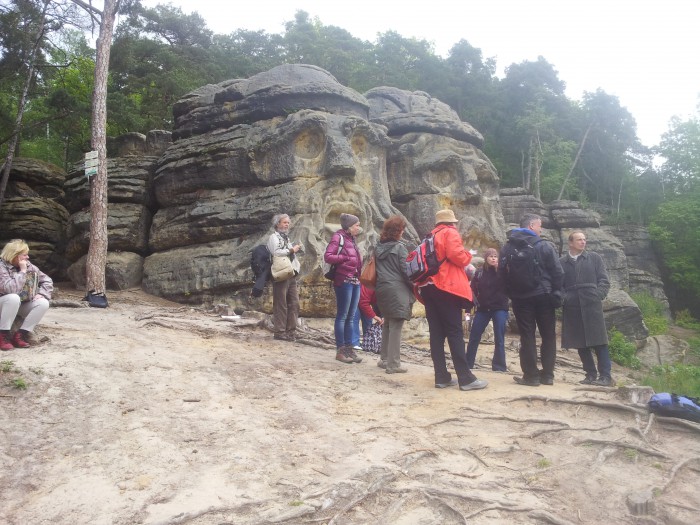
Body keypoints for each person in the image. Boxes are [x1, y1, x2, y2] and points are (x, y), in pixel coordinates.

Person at [418, 209, 488, 391]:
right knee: (455, 332)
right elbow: (458, 257)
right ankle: (466, 378)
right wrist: (468, 254)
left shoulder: (429, 237)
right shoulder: (449, 232)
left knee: (436, 334)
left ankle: (441, 376)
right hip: (446, 287)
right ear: (451, 222)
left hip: (428, 287)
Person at [502, 213, 564, 387]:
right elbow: (558, 272)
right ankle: (548, 376)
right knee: (548, 335)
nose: (541, 229)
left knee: (527, 336)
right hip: (544, 295)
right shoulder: (544, 245)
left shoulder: (508, 247)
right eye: (539, 225)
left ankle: (531, 376)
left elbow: (502, 273)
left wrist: (511, 293)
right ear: (531, 226)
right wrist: (556, 291)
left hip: (521, 298)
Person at [560, 231, 613, 386]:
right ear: (570, 243)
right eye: (579, 239)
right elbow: (558, 284)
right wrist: (565, 298)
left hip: (592, 304)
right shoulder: (562, 262)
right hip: (572, 305)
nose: (583, 242)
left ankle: (605, 377)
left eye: (584, 239)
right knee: (580, 342)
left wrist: (598, 295)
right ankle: (590, 375)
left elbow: (604, 280)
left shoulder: (594, 258)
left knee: (599, 341)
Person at [374, 216, 415, 373]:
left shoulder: (378, 247)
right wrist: (415, 286)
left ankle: (384, 359)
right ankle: (393, 364)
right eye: (402, 229)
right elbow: (406, 271)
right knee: (396, 326)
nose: (403, 232)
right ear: (398, 231)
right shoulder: (399, 248)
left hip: (382, 288)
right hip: (397, 290)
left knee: (388, 324)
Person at [324, 213, 363, 364]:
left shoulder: (352, 239)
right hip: (344, 280)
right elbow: (328, 256)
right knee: (342, 316)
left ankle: (349, 348)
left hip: (355, 281)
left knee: (351, 317)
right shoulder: (338, 237)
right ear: (349, 226)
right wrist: (345, 258)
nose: (358, 228)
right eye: (356, 225)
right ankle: (340, 350)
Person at [0, 239, 53, 350]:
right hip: (4, 304)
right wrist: (23, 271)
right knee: (13, 298)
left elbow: (47, 280)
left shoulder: (30, 266)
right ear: (15, 255)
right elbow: (11, 289)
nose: (28, 257)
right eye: (24, 255)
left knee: (43, 303)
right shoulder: (2, 267)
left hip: (19, 304)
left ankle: (20, 335)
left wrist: (42, 293)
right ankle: (3, 336)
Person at [465, 248, 509, 372]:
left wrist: (500, 269)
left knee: (499, 337)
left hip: (499, 308)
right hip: (483, 308)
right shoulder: (479, 273)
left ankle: (499, 367)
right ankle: (468, 364)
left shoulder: (503, 271)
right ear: (486, 258)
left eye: (495, 256)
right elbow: (472, 292)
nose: (493, 258)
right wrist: (468, 312)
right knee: (474, 335)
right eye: (491, 256)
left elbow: (511, 283)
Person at [267, 214, 303, 341]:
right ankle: (280, 332)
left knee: (294, 303)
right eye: (284, 222)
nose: (287, 225)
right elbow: (276, 252)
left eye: (288, 222)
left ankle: (291, 331)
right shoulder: (273, 237)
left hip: (290, 273)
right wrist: (292, 250)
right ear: (277, 224)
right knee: (281, 303)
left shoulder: (286, 237)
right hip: (280, 274)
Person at [358, 283, 383, 353]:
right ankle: (354, 343)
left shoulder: (385, 293)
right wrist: (375, 317)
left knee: (368, 323)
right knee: (354, 319)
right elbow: (363, 302)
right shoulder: (369, 286)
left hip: (368, 301)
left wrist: (383, 317)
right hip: (357, 299)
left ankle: (368, 344)